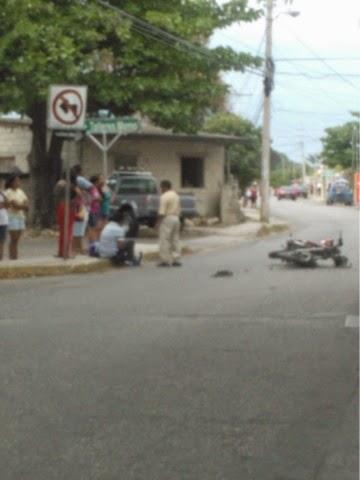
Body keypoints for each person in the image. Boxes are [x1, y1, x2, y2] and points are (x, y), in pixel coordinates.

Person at [54, 172, 82, 258]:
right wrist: (74, 200)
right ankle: (67, 252)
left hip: (60, 207)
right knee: (68, 231)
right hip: (69, 207)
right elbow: (79, 194)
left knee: (62, 231)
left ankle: (61, 252)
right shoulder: (71, 185)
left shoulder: (58, 184)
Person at [156, 179, 181, 267]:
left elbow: (162, 212)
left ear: (165, 187)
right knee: (175, 239)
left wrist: (158, 223)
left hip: (167, 218)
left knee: (165, 239)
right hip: (176, 218)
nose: (161, 189)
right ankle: (176, 259)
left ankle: (165, 260)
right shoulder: (176, 195)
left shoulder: (164, 196)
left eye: (161, 187)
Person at [5, 174, 28, 260]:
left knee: (17, 239)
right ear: (11, 183)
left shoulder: (20, 192)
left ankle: (15, 256)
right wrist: (21, 205)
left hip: (20, 216)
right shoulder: (8, 192)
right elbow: (15, 205)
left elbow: (26, 203)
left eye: (19, 181)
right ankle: (12, 256)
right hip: (12, 217)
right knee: (13, 238)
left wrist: (21, 204)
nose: (18, 183)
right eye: (16, 181)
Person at [0, 180, 9, 260]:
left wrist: (2, 193)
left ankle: (1, 258)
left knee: (2, 240)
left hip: (3, 220)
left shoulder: (4, 193)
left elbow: (7, 204)